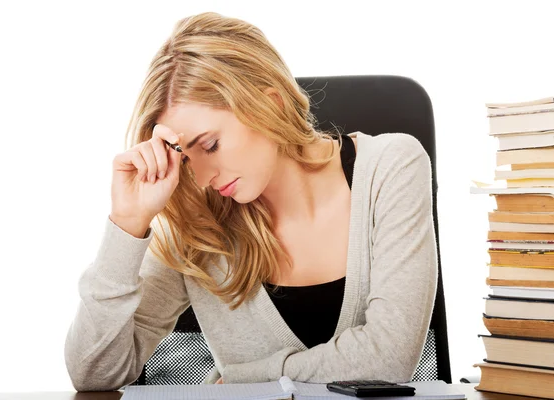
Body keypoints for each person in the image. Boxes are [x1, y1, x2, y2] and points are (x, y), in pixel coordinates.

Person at [64, 11, 438, 392]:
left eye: (211, 145)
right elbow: (94, 373)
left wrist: (243, 379)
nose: (204, 178)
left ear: (271, 104)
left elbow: (390, 359)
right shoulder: (195, 228)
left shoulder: (391, 167)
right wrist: (127, 223)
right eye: (187, 158)